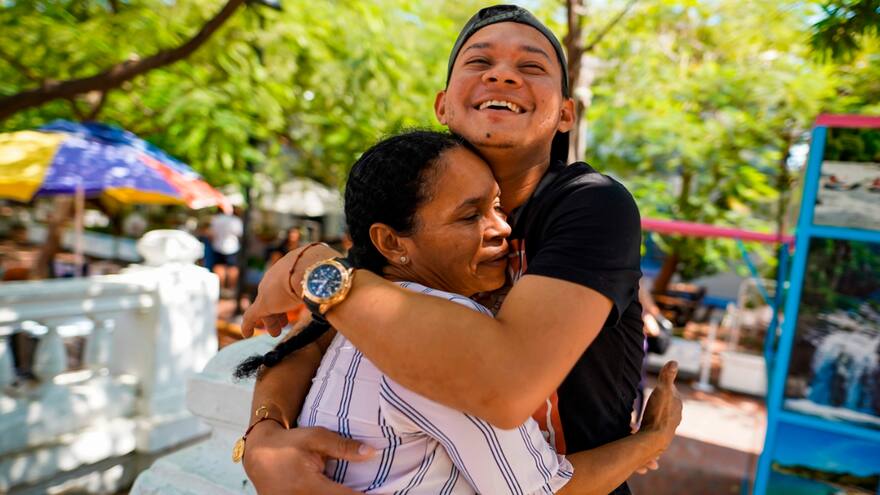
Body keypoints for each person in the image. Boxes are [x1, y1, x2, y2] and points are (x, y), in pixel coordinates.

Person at [240, 5, 681, 494]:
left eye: (532, 67)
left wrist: (310, 266)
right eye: (479, 62)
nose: (503, 75)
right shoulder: (420, 200)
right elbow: (317, 337)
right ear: (443, 105)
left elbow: (507, 386)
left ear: (565, 114)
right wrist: (263, 439)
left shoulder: (592, 205)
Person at [210, 206, 243, 293]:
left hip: (217, 246)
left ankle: (220, 289)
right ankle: (231, 289)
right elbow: (239, 233)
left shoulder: (216, 219)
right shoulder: (235, 220)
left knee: (219, 267)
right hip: (233, 247)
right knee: (232, 268)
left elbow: (212, 233)